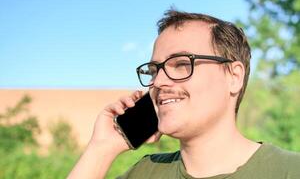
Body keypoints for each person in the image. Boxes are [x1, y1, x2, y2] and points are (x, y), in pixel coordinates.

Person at [67, 9, 300, 179]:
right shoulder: (145, 173)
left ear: (234, 76)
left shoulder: (290, 170)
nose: (158, 81)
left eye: (181, 64)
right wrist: (102, 147)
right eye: (153, 70)